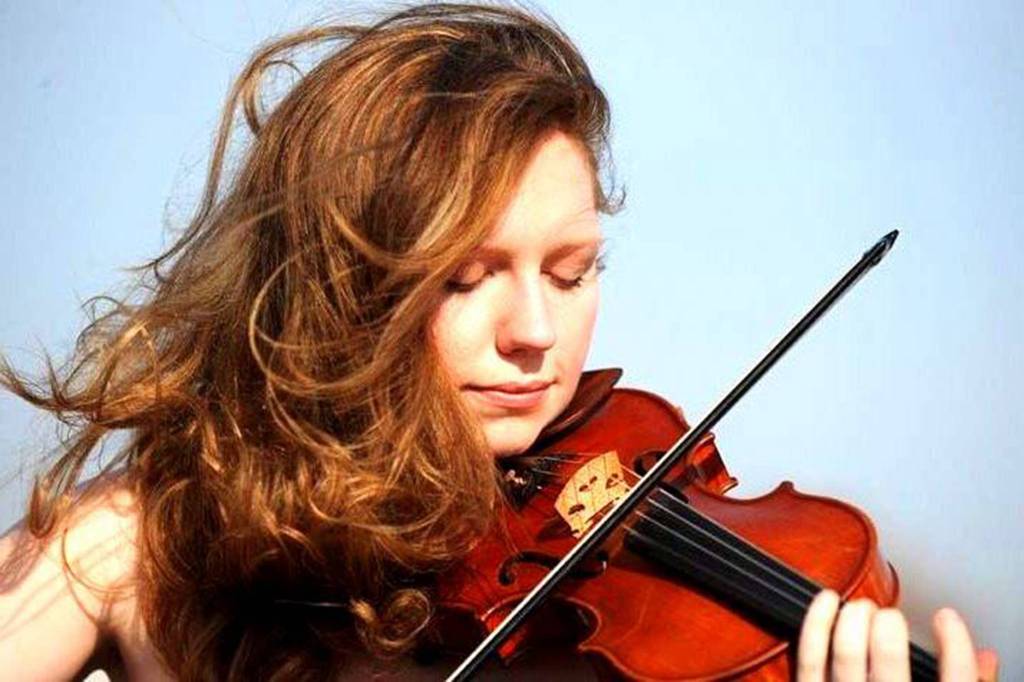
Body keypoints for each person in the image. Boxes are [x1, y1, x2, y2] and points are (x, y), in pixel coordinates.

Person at [0, 3, 999, 680]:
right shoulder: (142, 545)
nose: (535, 334)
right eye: (466, 277)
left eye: (571, 273)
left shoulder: (605, 633)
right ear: (336, 285)